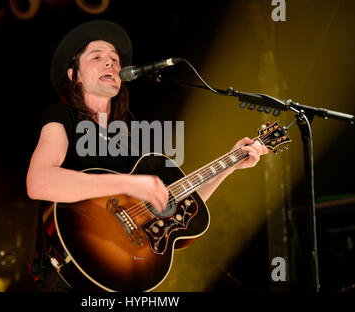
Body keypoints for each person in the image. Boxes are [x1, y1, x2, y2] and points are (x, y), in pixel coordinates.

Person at [26, 20, 268, 292]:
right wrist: (129, 184)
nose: (111, 64)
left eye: (115, 60)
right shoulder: (62, 117)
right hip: (65, 278)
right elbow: (39, 182)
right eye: (97, 57)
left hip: (119, 278)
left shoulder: (128, 137)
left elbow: (173, 202)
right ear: (75, 75)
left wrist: (230, 164)